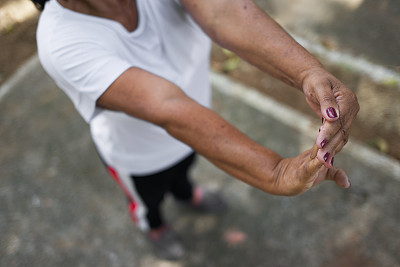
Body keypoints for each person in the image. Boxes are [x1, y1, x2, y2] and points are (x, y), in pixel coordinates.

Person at [33, 0, 359, 260]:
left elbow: (225, 13)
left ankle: (187, 194)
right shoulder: (61, 40)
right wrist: (273, 172)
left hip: (195, 138)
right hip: (137, 157)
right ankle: (155, 227)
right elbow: (169, 106)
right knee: (148, 199)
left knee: (184, 174)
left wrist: (309, 73)